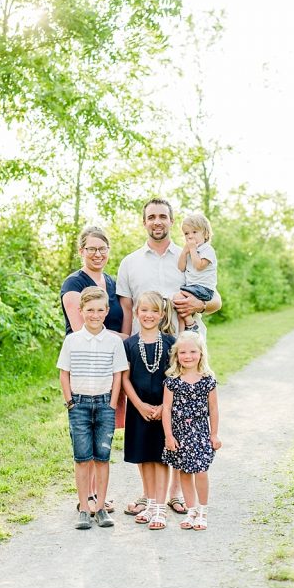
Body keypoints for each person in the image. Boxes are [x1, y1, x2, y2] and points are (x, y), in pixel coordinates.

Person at [116, 197, 222, 517]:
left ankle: (176, 492)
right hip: (145, 350)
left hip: (183, 349)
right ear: (144, 221)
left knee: (183, 419)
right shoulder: (130, 262)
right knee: (149, 421)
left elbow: (215, 298)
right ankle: (152, 496)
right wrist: (123, 348)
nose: (157, 221)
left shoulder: (192, 252)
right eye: (151, 216)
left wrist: (198, 306)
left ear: (172, 222)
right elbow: (124, 309)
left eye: (163, 216)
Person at [59, 226, 126, 516]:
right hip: (85, 371)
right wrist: (130, 341)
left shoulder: (112, 283)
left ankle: (99, 497)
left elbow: (123, 319)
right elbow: (83, 329)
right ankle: (86, 497)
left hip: (109, 368)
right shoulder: (74, 283)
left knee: (103, 436)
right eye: (91, 249)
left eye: (102, 248)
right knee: (84, 440)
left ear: (108, 251)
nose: (97, 254)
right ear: (81, 251)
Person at [121, 291, 177, 530]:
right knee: (144, 456)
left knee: (161, 456)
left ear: (162, 314)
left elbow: (176, 376)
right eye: (144, 310)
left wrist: (165, 406)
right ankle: (151, 502)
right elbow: (124, 379)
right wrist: (139, 405)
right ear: (136, 313)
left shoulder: (171, 343)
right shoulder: (129, 344)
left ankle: (160, 508)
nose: (149, 315)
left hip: (164, 408)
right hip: (139, 409)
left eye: (154, 311)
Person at [162, 332, 221, 531]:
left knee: (201, 471)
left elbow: (213, 409)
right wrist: (169, 436)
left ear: (201, 354)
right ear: (176, 355)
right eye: (183, 352)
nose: (188, 356)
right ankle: (191, 510)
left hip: (201, 432)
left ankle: (202, 511)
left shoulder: (208, 380)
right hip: (179, 433)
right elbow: (167, 409)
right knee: (185, 472)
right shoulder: (172, 380)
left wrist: (214, 434)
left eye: (193, 351)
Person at [177, 212, 218, 332]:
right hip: (194, 287)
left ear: (205, 234)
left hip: (204, 289)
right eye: (186, 233)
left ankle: (191, 325)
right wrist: (184, 252)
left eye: (194, 232)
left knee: (178, 298)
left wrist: (192, 250)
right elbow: (181, 267)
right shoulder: (190, 250)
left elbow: (199, 266)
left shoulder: (207, 250)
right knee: (178, 300)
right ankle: (187, 327)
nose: (190, 236)